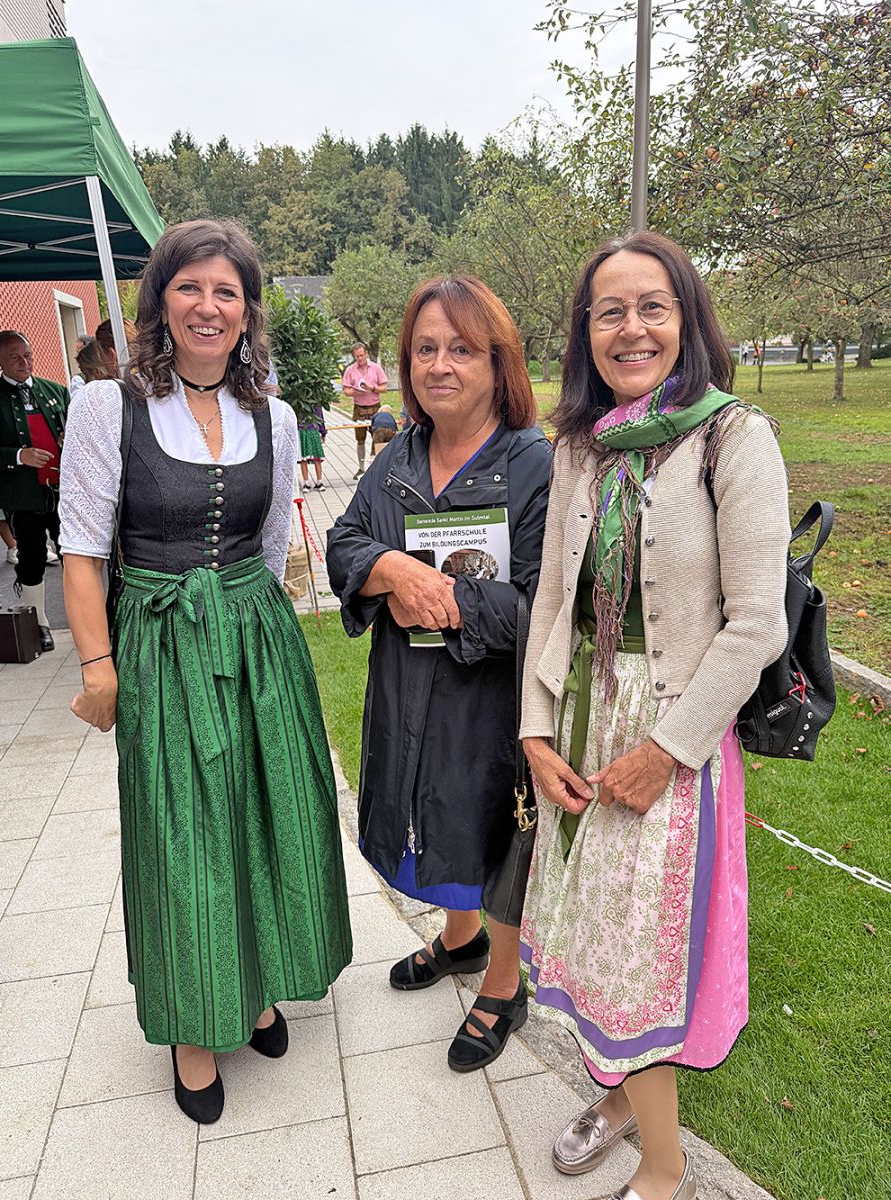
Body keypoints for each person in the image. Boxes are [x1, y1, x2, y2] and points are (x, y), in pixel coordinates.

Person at [59, 218, 352, 1125]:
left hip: (256, 636)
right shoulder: (107, 408)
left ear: (248, 311)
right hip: (160, 641)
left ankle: (255, 986)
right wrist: (99, 666)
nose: (209, 306)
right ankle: (193, 1027)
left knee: (266, 812)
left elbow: (267, 548)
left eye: (227, 291)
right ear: (160, 302)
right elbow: (81, 553)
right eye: (190, 287)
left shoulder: (276, 415)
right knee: (181, 831)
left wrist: (254, 634)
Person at [519, 231, 789, 1200]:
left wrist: (666, 752)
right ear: (585, 331)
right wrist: (534, 729)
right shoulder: (579, 446)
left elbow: (756, 623)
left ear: (687, 320)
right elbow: (553, 597)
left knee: (642, 956)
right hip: (584, 717)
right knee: (596, 934)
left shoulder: (733, 438)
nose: (631, 329)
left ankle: (665, 1168)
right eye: (609, 312)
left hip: (673, 728)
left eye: (652, 307)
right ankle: (624, 1097)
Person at [327, 276, 551, 1072]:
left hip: (490, 696)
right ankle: (459, 942)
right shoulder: (399, 456)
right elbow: (343, 542)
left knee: (493, 824)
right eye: (425, 349)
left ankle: (503, 982)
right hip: (406, 683)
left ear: (498, 362)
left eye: (462, 348)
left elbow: (545, 607)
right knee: (429, 811)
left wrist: (447, 597)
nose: (440, 365)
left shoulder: (533, 466)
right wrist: (391, 568)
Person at [0, 331, 69, 651]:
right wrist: (18, 456)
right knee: (32, 556)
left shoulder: (56, 391)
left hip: (63, 491)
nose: (24, 363)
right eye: (14, 358)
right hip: (22, 495)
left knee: (75, 556)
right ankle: (38, 623)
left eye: (27, 355)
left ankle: (86, 618)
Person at [342, 341, 387, 478]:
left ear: (366, 353)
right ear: (353, 356)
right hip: (359, 408)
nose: (360, 358)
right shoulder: (350, 370)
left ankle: (377, 468)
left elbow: (384, 388)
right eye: (357, 356)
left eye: (362, 355)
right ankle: (361, 468)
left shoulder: (376, 368)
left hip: (375, 406)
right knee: (360, 439)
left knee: (379, 437)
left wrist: (372, 388)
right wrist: (356, 392)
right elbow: (346, 390)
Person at [299, 404, 327, 490]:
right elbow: (320, 417)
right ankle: (319, 481)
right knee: (316, 457)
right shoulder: (316, 402)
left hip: (301, 430)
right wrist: (323, 432)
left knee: (303, 458)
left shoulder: (296, 401)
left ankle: (306, 483)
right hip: (313, 430)